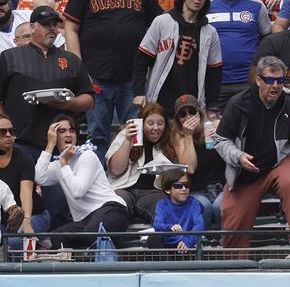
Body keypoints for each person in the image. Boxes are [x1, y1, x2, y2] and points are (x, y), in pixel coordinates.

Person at [215, 55, 290, 254]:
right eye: (270, 80)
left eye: (280, 81)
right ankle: (234, 267)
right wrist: (238, 157)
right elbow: (221, 141)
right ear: (258, 80)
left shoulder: (289, 105)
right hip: (246, 173)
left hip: (277, 164)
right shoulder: (238, 104)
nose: (275, 86)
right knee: (232, 227)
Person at [64, 0, 161, 165]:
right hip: (97, 76)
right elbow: (70, 27)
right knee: (97, 133)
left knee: (134, 132)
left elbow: (159, 25)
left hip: (134, 77)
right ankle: (98, 180)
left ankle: (133, 177)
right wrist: (79, 67)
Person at [0, 5, 94, 161]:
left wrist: (69, 103)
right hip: (20, 142)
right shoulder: (10, 57)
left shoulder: (70, 60)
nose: (52, 29)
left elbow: (89, 100)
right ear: (32, 27)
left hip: (60, 146)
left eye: (55, 25)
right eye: (45, 24)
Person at [133, 0, 222, 117]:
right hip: (160, 99)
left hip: (192, 104)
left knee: (189, 139)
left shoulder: (210, 32)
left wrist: (212, 105)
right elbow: (142, 59)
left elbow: (214, 72)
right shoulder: (162, 22)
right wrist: (138, 92)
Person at [35, 115, 129, 249]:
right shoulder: (58, 164)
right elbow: (39, 177)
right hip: (84, 221)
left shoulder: (87, 155)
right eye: (62, 131)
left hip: (111, 209)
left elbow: (77, 191)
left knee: (90, 235)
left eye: (71, 131)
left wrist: (63, 162)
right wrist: (50, 145)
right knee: (57, 238)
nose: (68, 135)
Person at [208, 0, 271, 108]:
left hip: (247, 81)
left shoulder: (257, 5)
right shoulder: (206, 4)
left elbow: (267, 38)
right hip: (215, 81)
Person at [106, 102, 176, 222]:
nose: (156, 128)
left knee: (165, 213)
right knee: (114, 209)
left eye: (160, 123)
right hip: (124, 188)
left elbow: (182, 171)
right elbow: (115, 170)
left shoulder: (169, 141)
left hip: (153, 192)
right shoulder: (126, 135)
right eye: (150, 123)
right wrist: (128, 140)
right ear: (142, 124)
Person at [170, 95, 225, 228]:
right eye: (183, 114)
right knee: (203, 207)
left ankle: (225, 243)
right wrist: (188, 135)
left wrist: (220, 135)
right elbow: (190, 168)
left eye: (192, 112)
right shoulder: (179, 137)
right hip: (197, 190)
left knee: (220, 206)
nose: (188, 117)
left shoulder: (213, 127)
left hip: (221, 186)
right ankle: (199, 244)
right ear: (178, 120)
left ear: (200, 113)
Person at [0, 114, 51, 247]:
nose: (8, 135)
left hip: (34, 215)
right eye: (2, 131)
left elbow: (26, 193)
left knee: (13, 242)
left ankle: (40, 243)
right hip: (4, 221)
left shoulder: (24, 159)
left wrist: (26, 221)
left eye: (11, 131)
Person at [150, 171, 205, 251]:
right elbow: (157, 224)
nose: (184, 189)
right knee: (152, 239)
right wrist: (170, 227)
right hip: (166, 245)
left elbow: (200, 224)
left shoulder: (194, 203)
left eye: (186, 185)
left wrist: (188, 241)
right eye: (178, 186)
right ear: (168, 190)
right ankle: (169, 263)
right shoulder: (162, 204)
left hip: (185, 244)